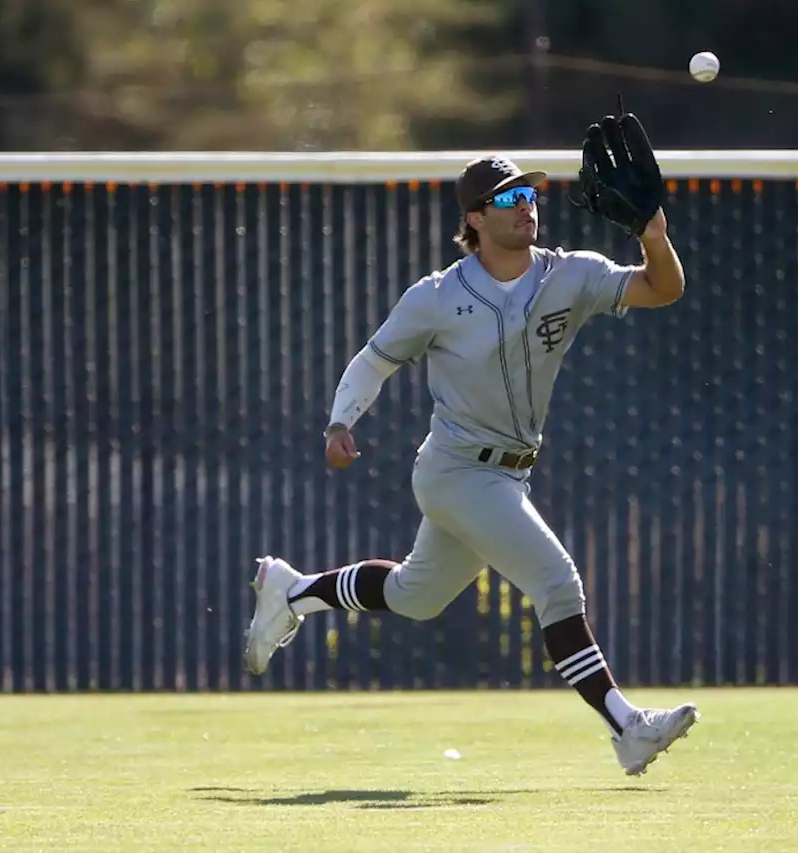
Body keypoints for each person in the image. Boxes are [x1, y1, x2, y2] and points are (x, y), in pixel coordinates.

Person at [244, 153, 698, 776]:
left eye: (531, 196)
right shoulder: (437, 296)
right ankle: (626, 725)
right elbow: (374, 359)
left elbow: (663, 288)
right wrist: (340, 421)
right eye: (510, 201)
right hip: (455, 471)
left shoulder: (573, 275)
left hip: (510, 473)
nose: (527, 208)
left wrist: (654, 233)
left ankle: (291, 591)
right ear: (475, 218)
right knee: (558, 583)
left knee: (415, 595)